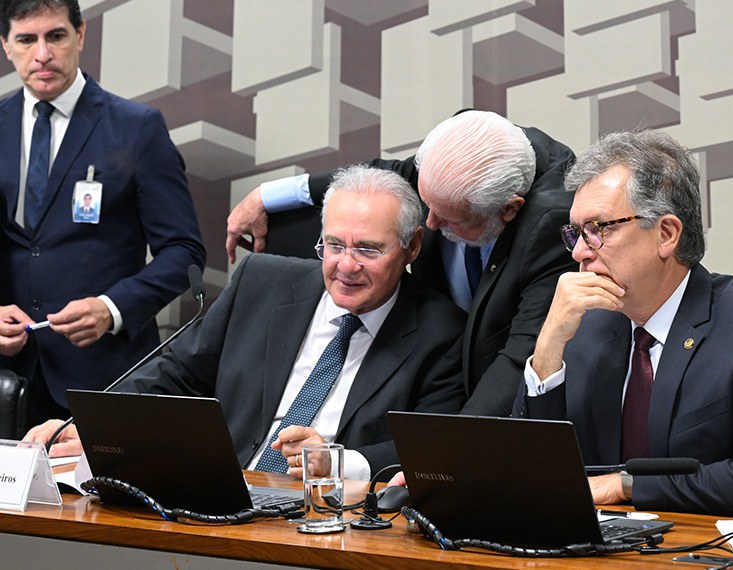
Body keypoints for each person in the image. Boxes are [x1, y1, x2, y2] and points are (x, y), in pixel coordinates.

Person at [25, 165, 468, 480]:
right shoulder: (262, 282)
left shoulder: (440, 332)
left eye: (368, 250)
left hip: (327, 517)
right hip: (217, 492)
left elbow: (433, 451)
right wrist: (91, 424)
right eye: (333, 245)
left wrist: (340, 461)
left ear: (411, 247)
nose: (345, 266)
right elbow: (174, 374)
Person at [513, 130, 733, 518]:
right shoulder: (587, 323)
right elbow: (530, 469)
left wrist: (623, 485)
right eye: (576, 233)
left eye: (599, 230)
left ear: (666, 234)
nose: (580, 252)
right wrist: (547, 348)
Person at [226, 110, 576, 416]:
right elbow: (388, 174)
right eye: (428, 205)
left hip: (493, 389)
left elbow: (522, 353)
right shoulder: (456, 155)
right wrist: (268, 196)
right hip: (436, 368)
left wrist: (452, 454)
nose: (431, 223)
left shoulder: (550, 223)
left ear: (509, 209)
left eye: (451, 218)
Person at [0, 0, 205, 429]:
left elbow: (183, 253)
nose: (42, 54)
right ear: (6, 46)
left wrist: (111, 309)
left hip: (103, 379)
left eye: (55, 36)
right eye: (26, 39)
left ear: (80, 35)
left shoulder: (137, 127)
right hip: (8, 383)